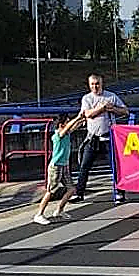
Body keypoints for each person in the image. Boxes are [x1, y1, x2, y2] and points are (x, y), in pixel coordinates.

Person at [71, 73, 129, 203]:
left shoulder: (111, 96)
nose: (95, 87)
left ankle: (120, 193)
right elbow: (87, 114)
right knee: (84, 166)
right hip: (93, 138)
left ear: (101, 84)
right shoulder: (86, 98)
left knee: (115, 166)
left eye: (97, 84)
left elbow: (125, 111)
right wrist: (102, 108)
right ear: (89, 85)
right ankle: (79, 193)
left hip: (108, 137)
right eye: (92, 84)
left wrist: (113, 109)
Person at [33, 112, 85, 225]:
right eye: (67, 122)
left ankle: (59, 210)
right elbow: (68, 127)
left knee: (71, 189)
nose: (69, 124)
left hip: (64, 165)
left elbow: (74, 127)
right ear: (61, 124)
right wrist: (77, 118)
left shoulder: (66, 134)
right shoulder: (58, 135)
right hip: (56, 166)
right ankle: (39, 214)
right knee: (51, 192)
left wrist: (82, 120)